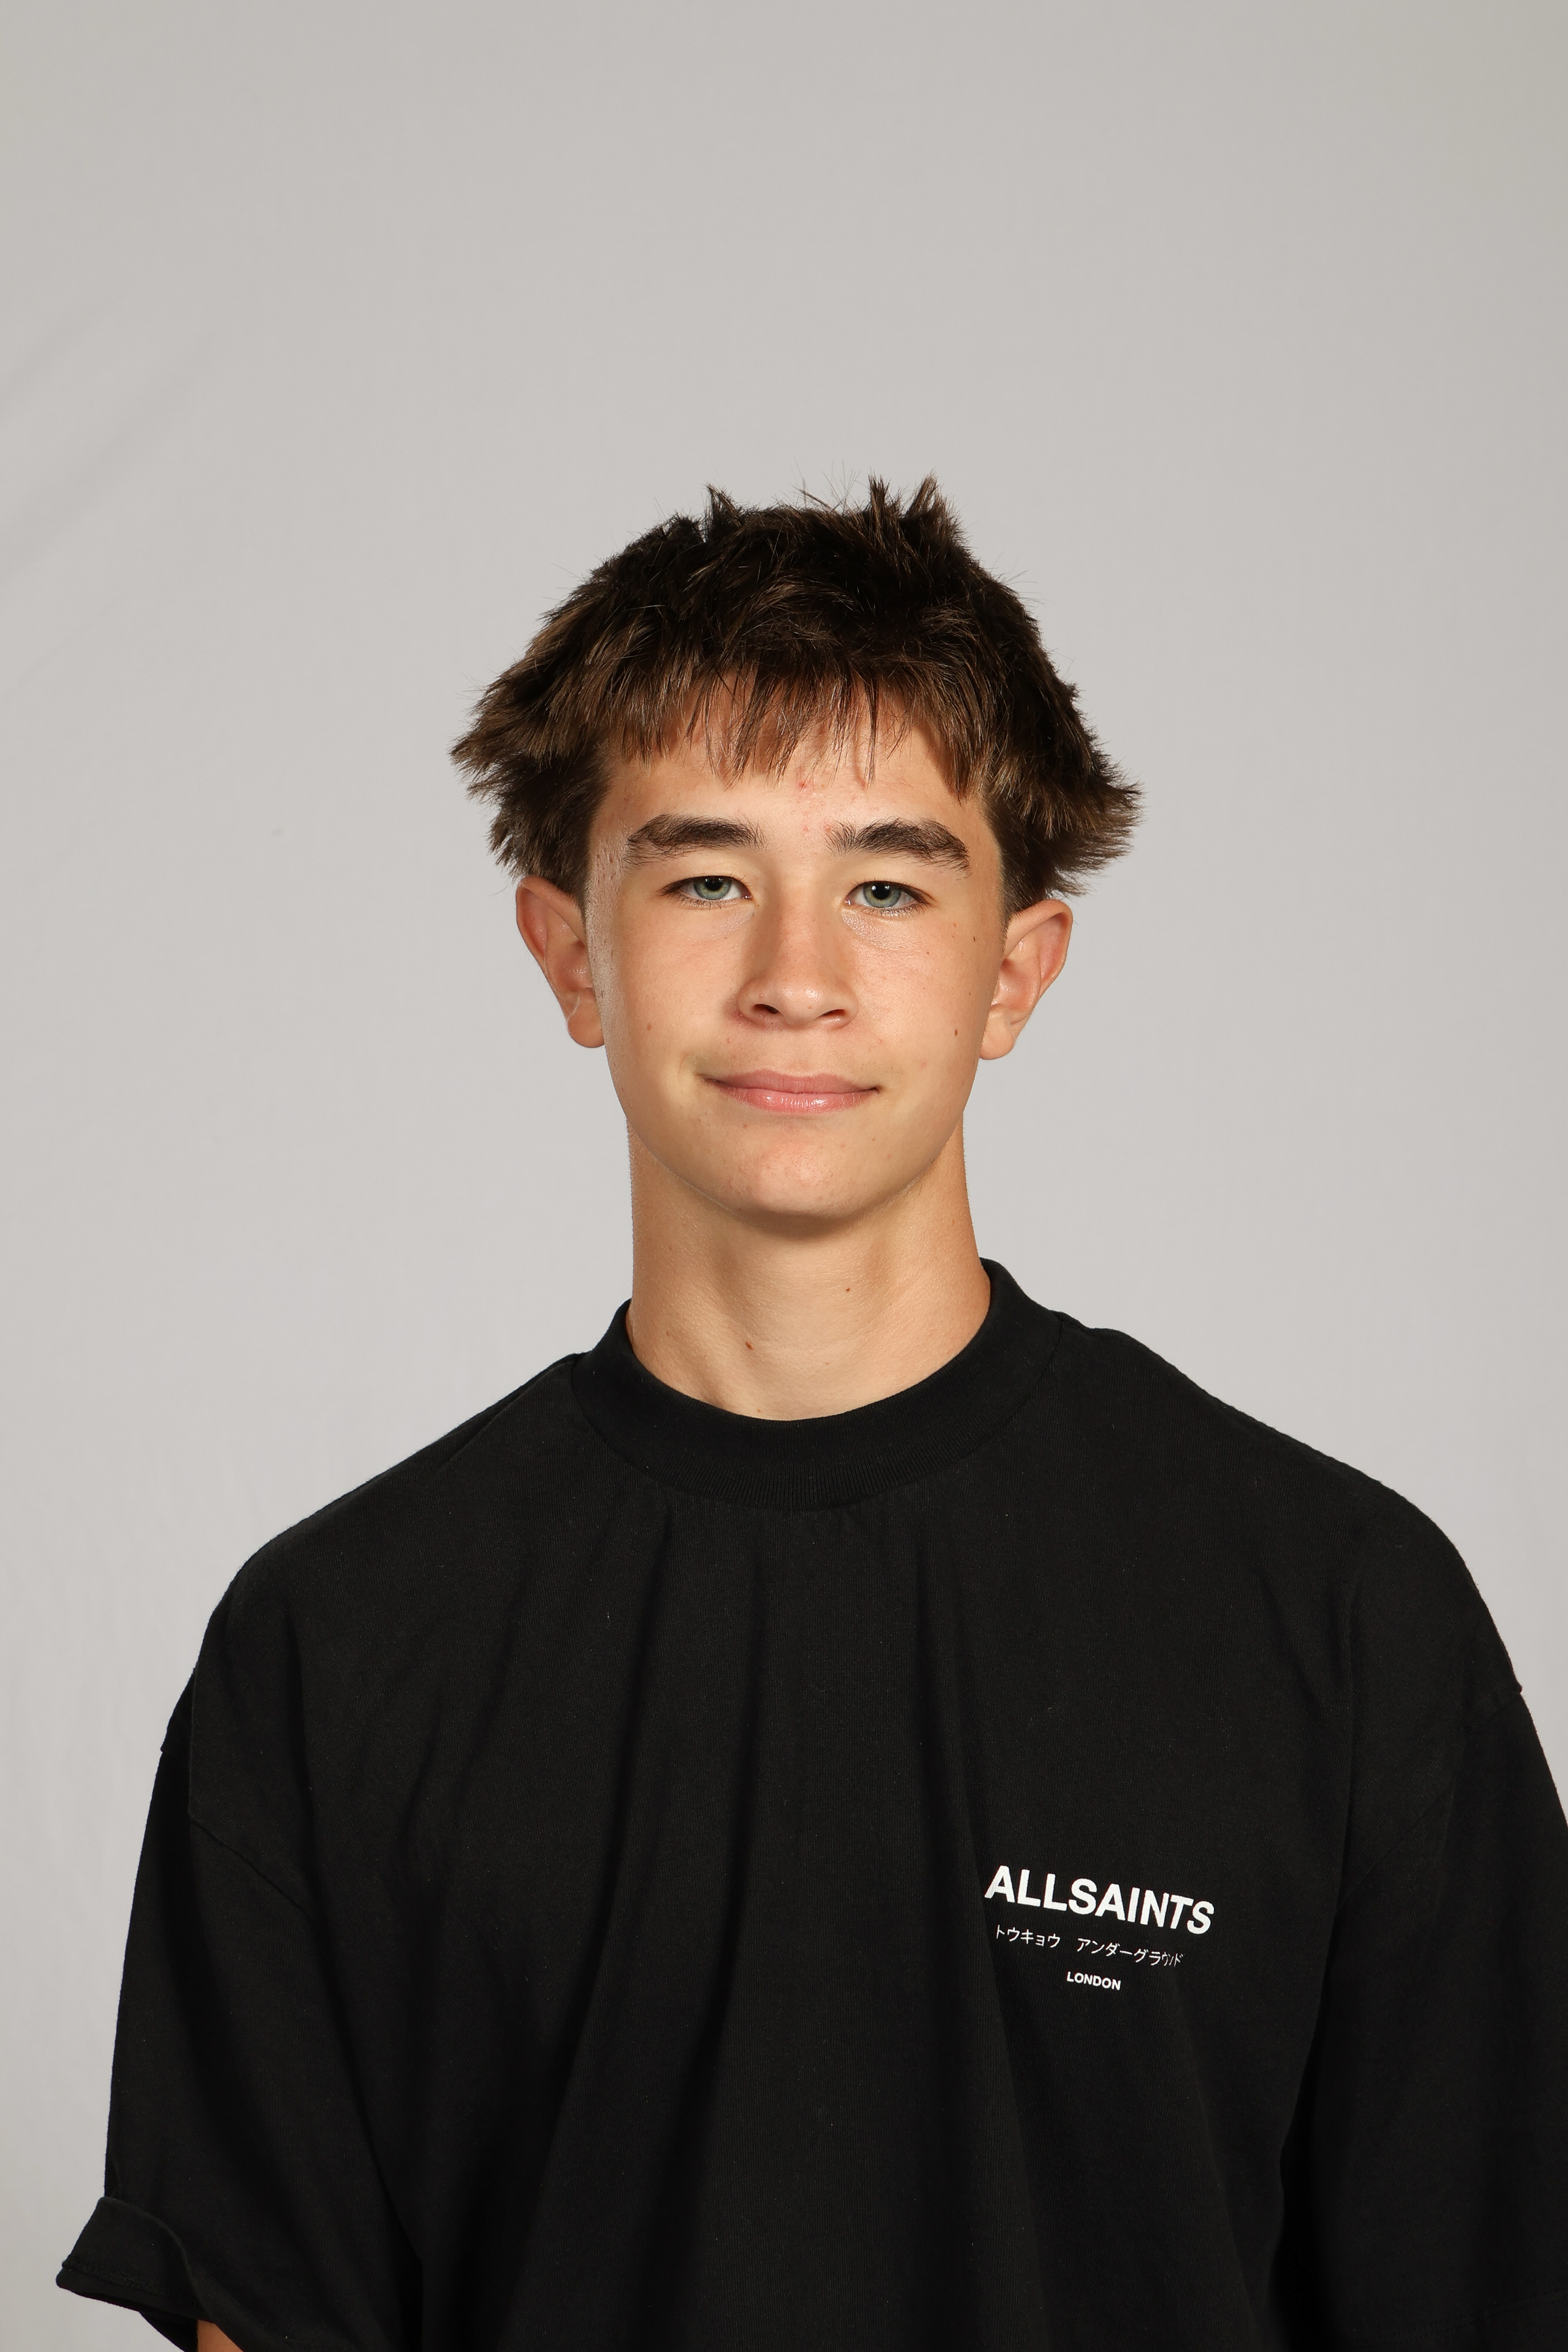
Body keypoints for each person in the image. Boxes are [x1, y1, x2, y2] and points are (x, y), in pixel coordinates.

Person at [59, 482, 1568, 2352]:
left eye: (887, 885)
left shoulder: (1338, 1617)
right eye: (706, 879)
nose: (796, 977)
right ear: (571, 953)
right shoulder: (336, 1647)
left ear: (1015, 967)